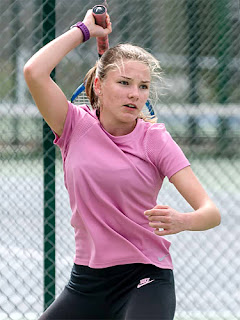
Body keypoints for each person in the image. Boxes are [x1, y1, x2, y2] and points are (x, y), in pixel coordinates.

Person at [24, 8, 221, 320]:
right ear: (100, 87)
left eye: (142, 87)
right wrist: (85, 31)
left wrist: (184, 221)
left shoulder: (155, 139)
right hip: (87, 281)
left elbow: (210, 212)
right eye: (124, 83)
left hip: (145, 277)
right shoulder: (72, 125)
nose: (135, 94)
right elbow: (34, 71)